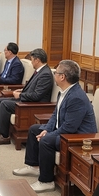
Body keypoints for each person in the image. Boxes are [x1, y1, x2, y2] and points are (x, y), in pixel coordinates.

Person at [12, 60, 97, 193]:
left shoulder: (76, 97)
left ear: (62, 77)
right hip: (65, 130)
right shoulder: (63, 91)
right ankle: (34, 166)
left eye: (56, 73)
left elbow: (70, 127)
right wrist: (46, 129)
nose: (54, 75)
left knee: (46, 141)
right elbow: (54, 116)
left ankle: (46, 181)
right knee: (35, 129)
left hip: (78, 137)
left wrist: (48, 135)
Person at [0, 48, 54, 144]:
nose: (31, 62)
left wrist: (21, 95)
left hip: (33, 105)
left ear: (37, 60)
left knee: (5, 104)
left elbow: (37, 96)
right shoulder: (39, 71)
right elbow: (33, 87)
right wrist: (22, 90)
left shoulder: (45, 74)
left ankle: (4, 136)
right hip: (28, 99)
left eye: (32, 60)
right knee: (0, 100)